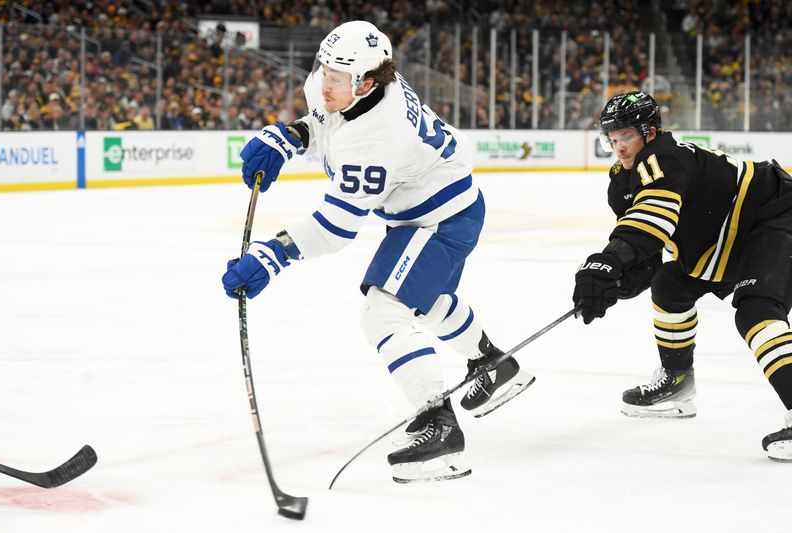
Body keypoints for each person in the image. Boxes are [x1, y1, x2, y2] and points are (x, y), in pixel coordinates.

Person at [221, 20, 534, 483]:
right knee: (428, 305)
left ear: (367, 82)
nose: (322, 83)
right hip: (447, 208)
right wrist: (292, 137)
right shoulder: (359, 81)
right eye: (322, 69)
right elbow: (329, 117)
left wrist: (272, 255)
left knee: (383, 313)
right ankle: (492, 362)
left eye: (335, 78)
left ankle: (439, 427)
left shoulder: (376, 137)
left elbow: (336, 228)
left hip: (440, 219)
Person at [572, 90, 792, 461]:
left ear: (650, 132)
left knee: (757, 311)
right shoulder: (622, 183)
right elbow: (649, 252)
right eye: (612, 138)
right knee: (670, 285)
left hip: (773, 217)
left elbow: (650, 219)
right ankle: (677, 381)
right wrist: (620, 278)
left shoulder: (665, 157)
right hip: (728, 238)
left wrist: (607, 260)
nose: (619, 147)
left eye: (626, 136)